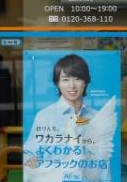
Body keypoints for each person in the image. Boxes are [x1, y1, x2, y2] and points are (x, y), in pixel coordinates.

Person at [23, 54, 115, 182]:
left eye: (77, 79)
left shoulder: (96, 117)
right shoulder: (45, 116)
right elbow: (28, 153)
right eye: (65, 79)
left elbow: (104, 160)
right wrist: (29, 159)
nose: (72, 85)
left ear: (86, 81)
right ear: (57, 83)